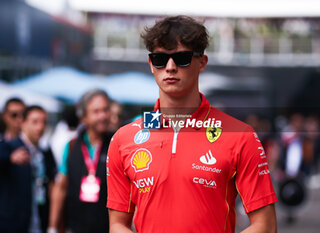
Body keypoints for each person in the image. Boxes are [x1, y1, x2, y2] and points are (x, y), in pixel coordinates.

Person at [107, 16, 277, 233]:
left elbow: (266, 225)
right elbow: (117, 225)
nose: (170, 67)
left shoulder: (240, 135)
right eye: (160, 59)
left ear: (202, 63)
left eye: (182, 58)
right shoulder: (124, 139)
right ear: (151, 65)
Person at [49, 89, 112, 233]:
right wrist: (52, 227)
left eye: (105, 110)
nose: (103, 116)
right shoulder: (71, 146)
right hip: (75, 227)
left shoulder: (116, 144)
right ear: (83, 117)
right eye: (96, 111)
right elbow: (61, 188)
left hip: (107, 227)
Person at [0, 105, 57, 233]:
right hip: (13, 224)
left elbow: (53, 185)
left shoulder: (46, 152)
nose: (40, 127)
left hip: (39, 221)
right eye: (35, 122)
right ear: (23, 123)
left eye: (44, 122)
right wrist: (9, 158)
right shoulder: (9, 147)